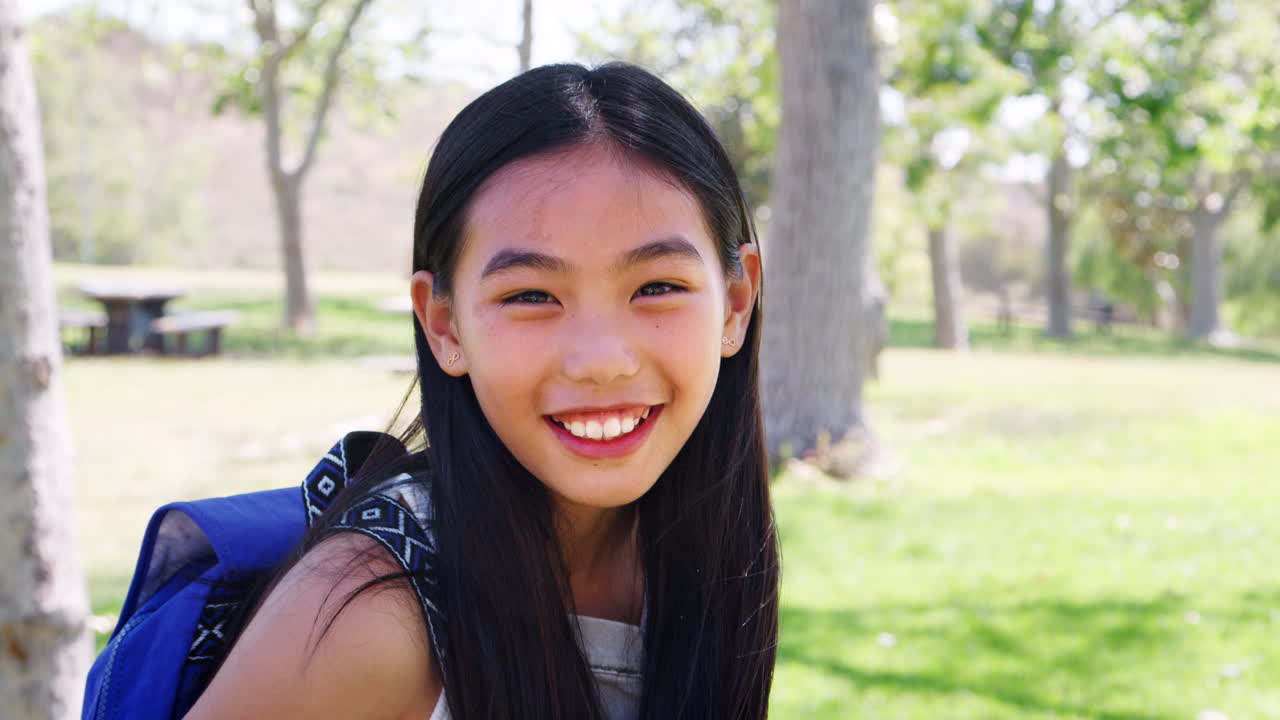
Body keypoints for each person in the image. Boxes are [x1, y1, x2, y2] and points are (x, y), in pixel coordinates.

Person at [182, 62, 779, 720]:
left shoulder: (695, 548)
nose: (601, 362)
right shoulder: (365, 617)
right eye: (531, 296)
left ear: (736, 301)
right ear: (444, 324)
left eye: (657, 287)